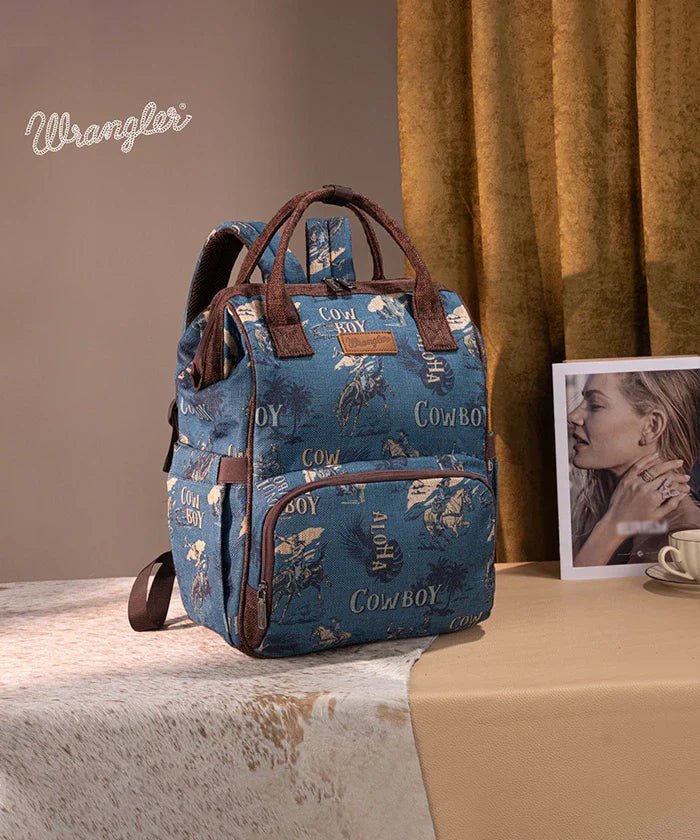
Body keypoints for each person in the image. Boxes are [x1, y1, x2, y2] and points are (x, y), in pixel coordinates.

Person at [568, 369, 700, 566]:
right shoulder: (601, 508)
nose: (573, 416)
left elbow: (573, 588)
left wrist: (612, 527)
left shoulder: (683, 540)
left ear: (652, 426)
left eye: (595, 405)